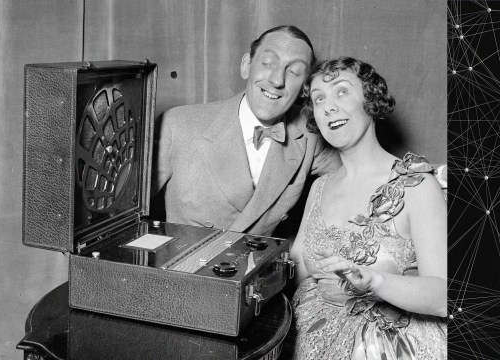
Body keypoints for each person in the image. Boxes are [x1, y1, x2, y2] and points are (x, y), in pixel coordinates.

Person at [289, 57, 447, 359]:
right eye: (319, 98)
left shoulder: (416, 185)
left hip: (391, 348)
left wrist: (374, 280)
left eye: (341, 91)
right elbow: (294, 266)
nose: (328, 106)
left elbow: (443, 296)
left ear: (370, 100)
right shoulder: (319, 187)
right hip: (314, 341)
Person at [152, 25, 340, 236]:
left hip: (260, 266)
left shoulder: (309, 133)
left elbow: (359, 181)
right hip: (184, 264)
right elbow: (122, 211)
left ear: (305, 87)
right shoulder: (177, 124)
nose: (277, 80)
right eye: (267, 63)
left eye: (294, 71)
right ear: (246, 66)